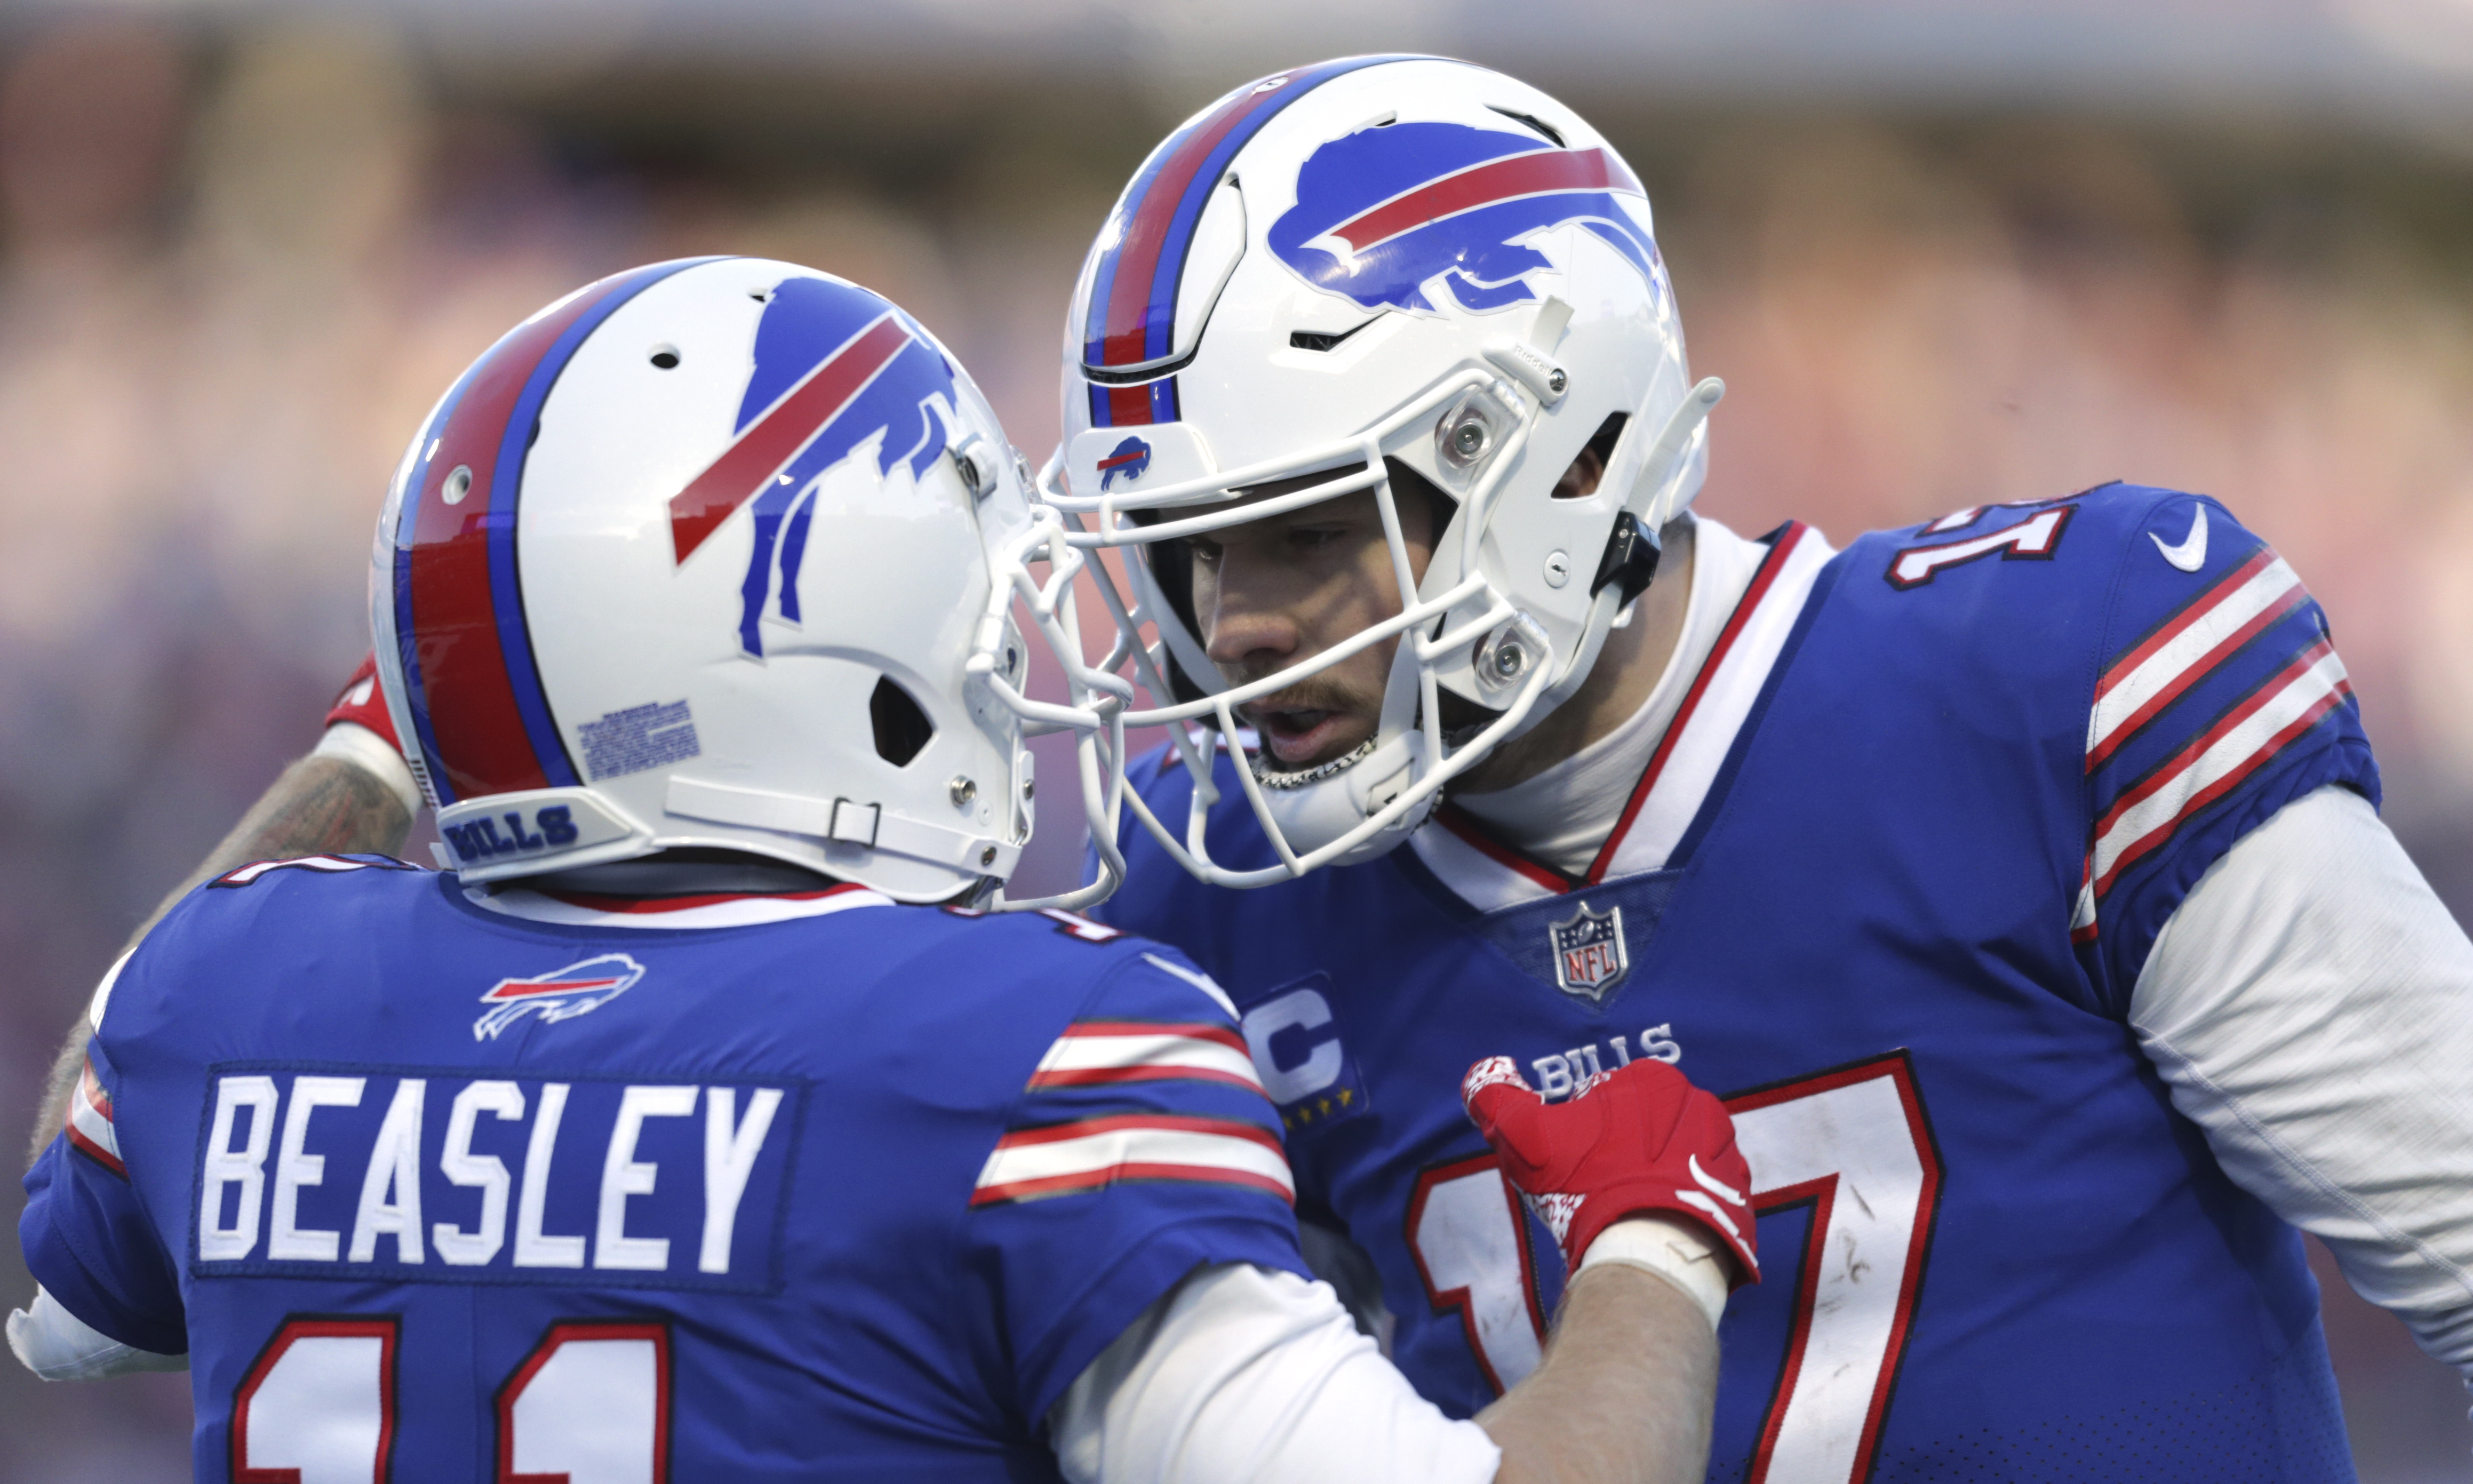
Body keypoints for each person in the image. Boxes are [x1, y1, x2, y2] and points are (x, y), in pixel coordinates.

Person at [1032, 57, 2473, 1480]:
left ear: (1575, 456)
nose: (1234, 628)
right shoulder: (1209, 899)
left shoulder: (2043, 687)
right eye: (1185, 560)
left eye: (1309, 532)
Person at [11, 255, 1762, 1481]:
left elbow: (65, 1275)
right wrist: (1649, 1244)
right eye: (979, 602)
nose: (1019, 664)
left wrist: (378, 739)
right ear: (809, 654)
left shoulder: (225, 989)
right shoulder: (1030, 1048)